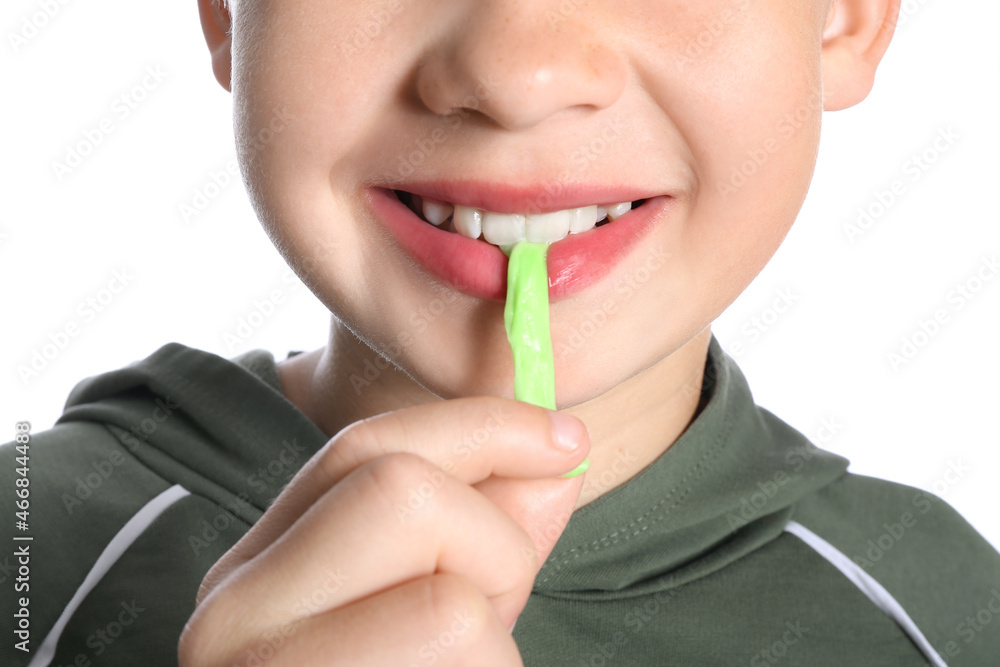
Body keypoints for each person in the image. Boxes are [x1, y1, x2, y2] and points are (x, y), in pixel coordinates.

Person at [2, 0, 998, 665]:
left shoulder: (953, 616)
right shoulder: (25, 550)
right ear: (226, 11)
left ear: (847, 18)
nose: (517, 73)